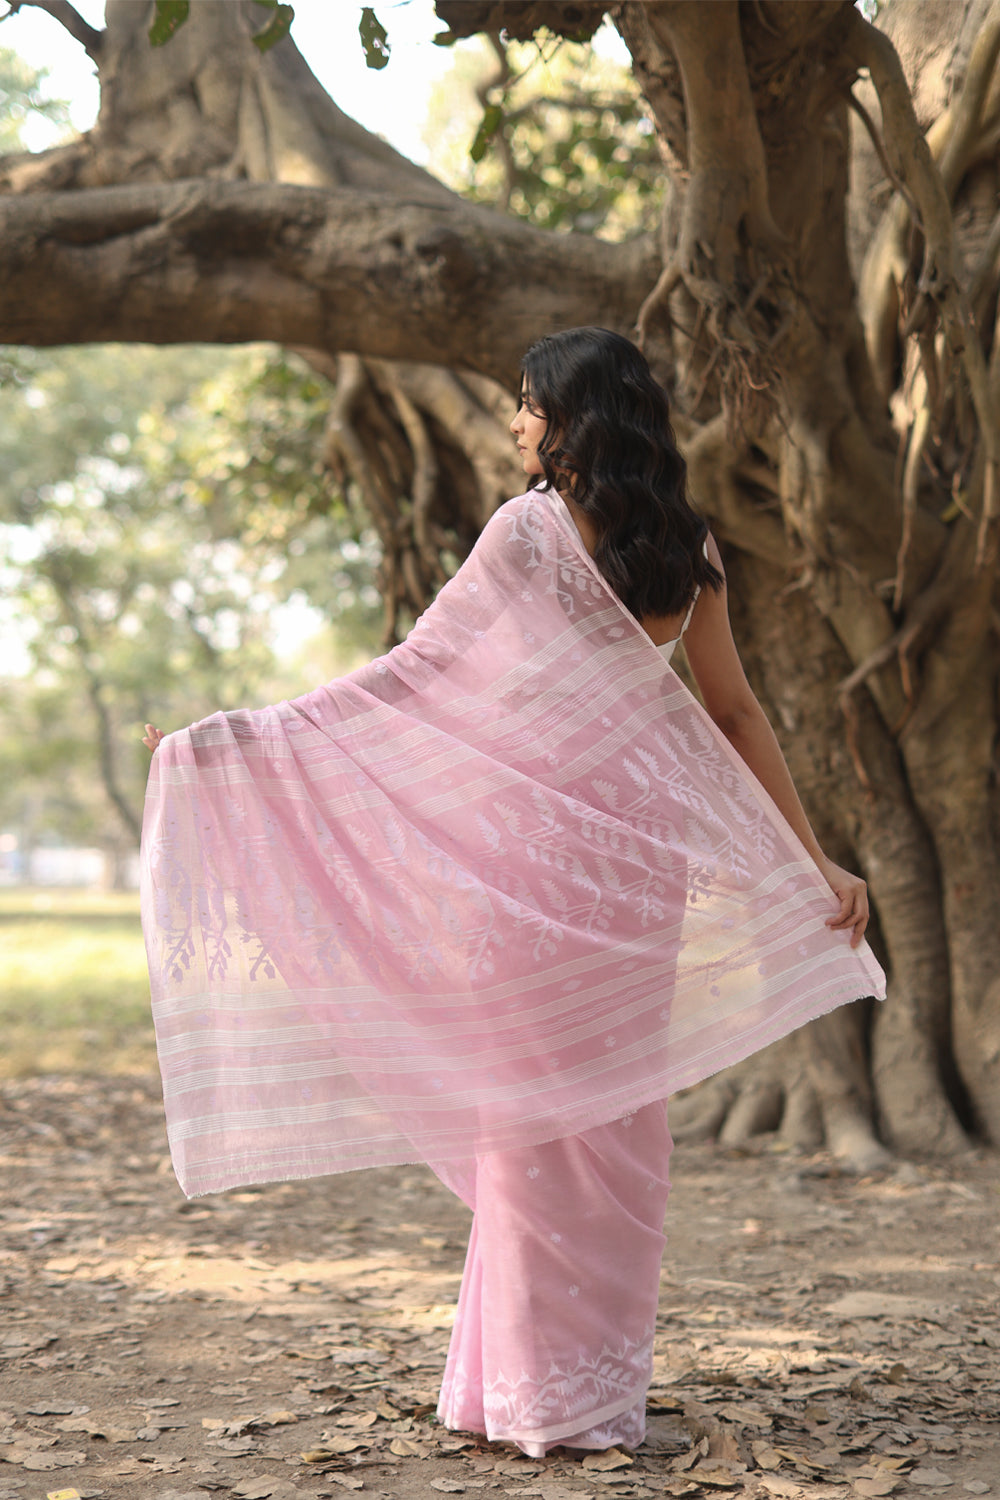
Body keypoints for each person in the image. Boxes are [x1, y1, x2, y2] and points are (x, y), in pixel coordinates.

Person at [140, 327, 884, 1458]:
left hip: (533, 863)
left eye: (529, 406)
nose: (515, 424)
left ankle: (539, 1396)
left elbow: (409, 677)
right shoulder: (689, 548)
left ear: (575, 419)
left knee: (534, 1128)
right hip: (640, 870)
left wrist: (230, 745)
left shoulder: (528, 533)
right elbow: (735, 714)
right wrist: (813, 856)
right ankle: (555, 1391)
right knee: (611, 1124)